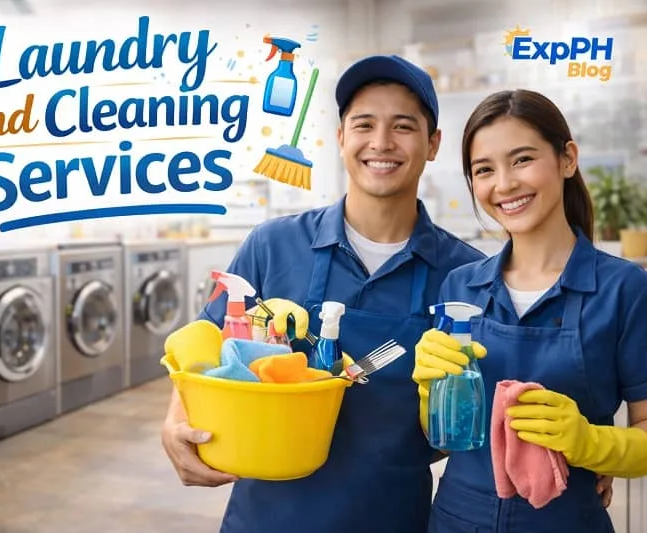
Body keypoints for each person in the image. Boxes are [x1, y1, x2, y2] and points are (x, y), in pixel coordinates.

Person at [161, 54, 486, 533]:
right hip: (267, 517)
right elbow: (205, 349)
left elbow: (474, 406)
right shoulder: (272, 246)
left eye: (403, 126)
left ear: (433, 143)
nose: (381, 143)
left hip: (392, 517)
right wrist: (175, 422)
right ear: (340, 139)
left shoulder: (465, 275)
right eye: (364, 124)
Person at [412, 89, 647, 533]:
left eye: (522, 160)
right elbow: (440, 437)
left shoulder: (623, 290)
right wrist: (432, 395)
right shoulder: (461, 287)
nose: (504, 184)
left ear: (567, 159)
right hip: (458, 520)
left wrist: (591, 443)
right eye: (484, 170)